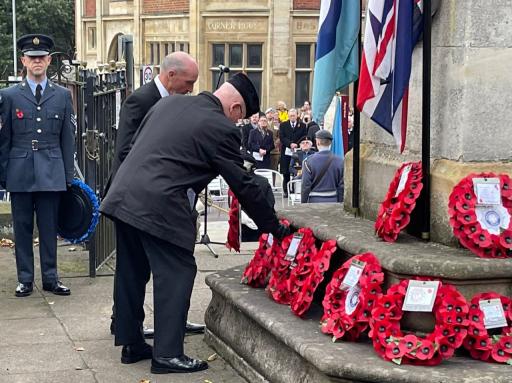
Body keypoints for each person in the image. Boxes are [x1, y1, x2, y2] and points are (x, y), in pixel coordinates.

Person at [100, 73, 290, 374]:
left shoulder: (169, 103)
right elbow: (242, 184)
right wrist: (273, 226)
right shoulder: (221, 127)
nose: (237, 124)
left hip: (123, 196)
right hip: (157, 204)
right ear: (237, 109)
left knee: (131, 271)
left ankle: (131, 342)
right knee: (178, 270)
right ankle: (167, 354)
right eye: (240, 118)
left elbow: (139, 146)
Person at [106, 52, 202, 340]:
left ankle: (164, 323)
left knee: (157, 268)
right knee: (133, 269)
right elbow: (125, 151)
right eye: (188, 82)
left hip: (157, 200)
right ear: (171, 75)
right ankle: (126, 328)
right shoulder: (141, 100)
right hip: (134, 199)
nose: (191, 89)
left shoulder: (176, 102)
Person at [0, 34, 75, 297]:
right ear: (23, 61)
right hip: (19, 170)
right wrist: (3, 174)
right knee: (21, 227)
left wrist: (68, 175)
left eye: (41, 57)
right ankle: (25, 279)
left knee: (48, 226)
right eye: (32, 58)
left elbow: (68, 138)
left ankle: (51, 278)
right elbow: (4, 138)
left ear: (49, 60)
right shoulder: (8, 96)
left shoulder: (63, 95)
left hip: (51, 169)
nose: (37, 62)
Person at [301, 129, 344, 203]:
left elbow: (305, 186)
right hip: (333, 200)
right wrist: (340, 202)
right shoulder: (340, 161)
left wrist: (303, 203)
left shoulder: (308, 161)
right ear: (330, 143)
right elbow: (341, 186)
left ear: (317, 142)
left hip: (314, 201)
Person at [279, 108, 307, 197]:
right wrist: (290, 144)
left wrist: (296, 144)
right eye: (290, 116)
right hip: (286, 152)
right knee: (286, 172)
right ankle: (286, 191)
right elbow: (282, 137)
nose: (292, 117)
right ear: (288, 116)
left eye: (294, 115)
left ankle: (295, 190)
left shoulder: (302, 125)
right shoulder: (283, 125)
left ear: (296, 116)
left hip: (297, 152)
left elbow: (304, 136)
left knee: (297, 170)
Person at [266, 107, 280, 173]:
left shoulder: (277, 125)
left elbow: (280, 136)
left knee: (274, 170)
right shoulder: (263, 123)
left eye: (271, 113)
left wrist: (276, 143)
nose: (270, 114)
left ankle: (273, 183)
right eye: (268, 113)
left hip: (274, 150)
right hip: (265, 150)